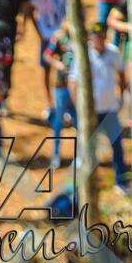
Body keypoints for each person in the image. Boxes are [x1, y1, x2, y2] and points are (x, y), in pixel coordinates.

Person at [69, 23, 129, 193]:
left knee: (117, 145)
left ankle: (121, 182)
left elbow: (122, 73)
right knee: (86, 148)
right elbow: (72, 82)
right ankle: (83, 185)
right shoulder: (84, 54)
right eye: (96, 37)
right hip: (90, 111)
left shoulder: (113, 52)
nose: (99, 40)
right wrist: (79, 106)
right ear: (91, 38)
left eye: (102, 36)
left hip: (110, 109)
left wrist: (120, 95)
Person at [28, 0, 68, 115]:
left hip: (63, 34)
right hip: (46, 33)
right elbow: (30, 11)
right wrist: (39, 32)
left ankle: (65, 104)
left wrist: (65, 28)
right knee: (45, 68)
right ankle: (49, 104)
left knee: (66, 68)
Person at [42, 23, 76, 168]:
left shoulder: (82, 36)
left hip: (77, 86)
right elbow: (46, 55)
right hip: (61, 85)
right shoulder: (59, 37)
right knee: (58, 121)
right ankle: (56, 154)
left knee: (79, 121)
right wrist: (58, 64)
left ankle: (80, 156)